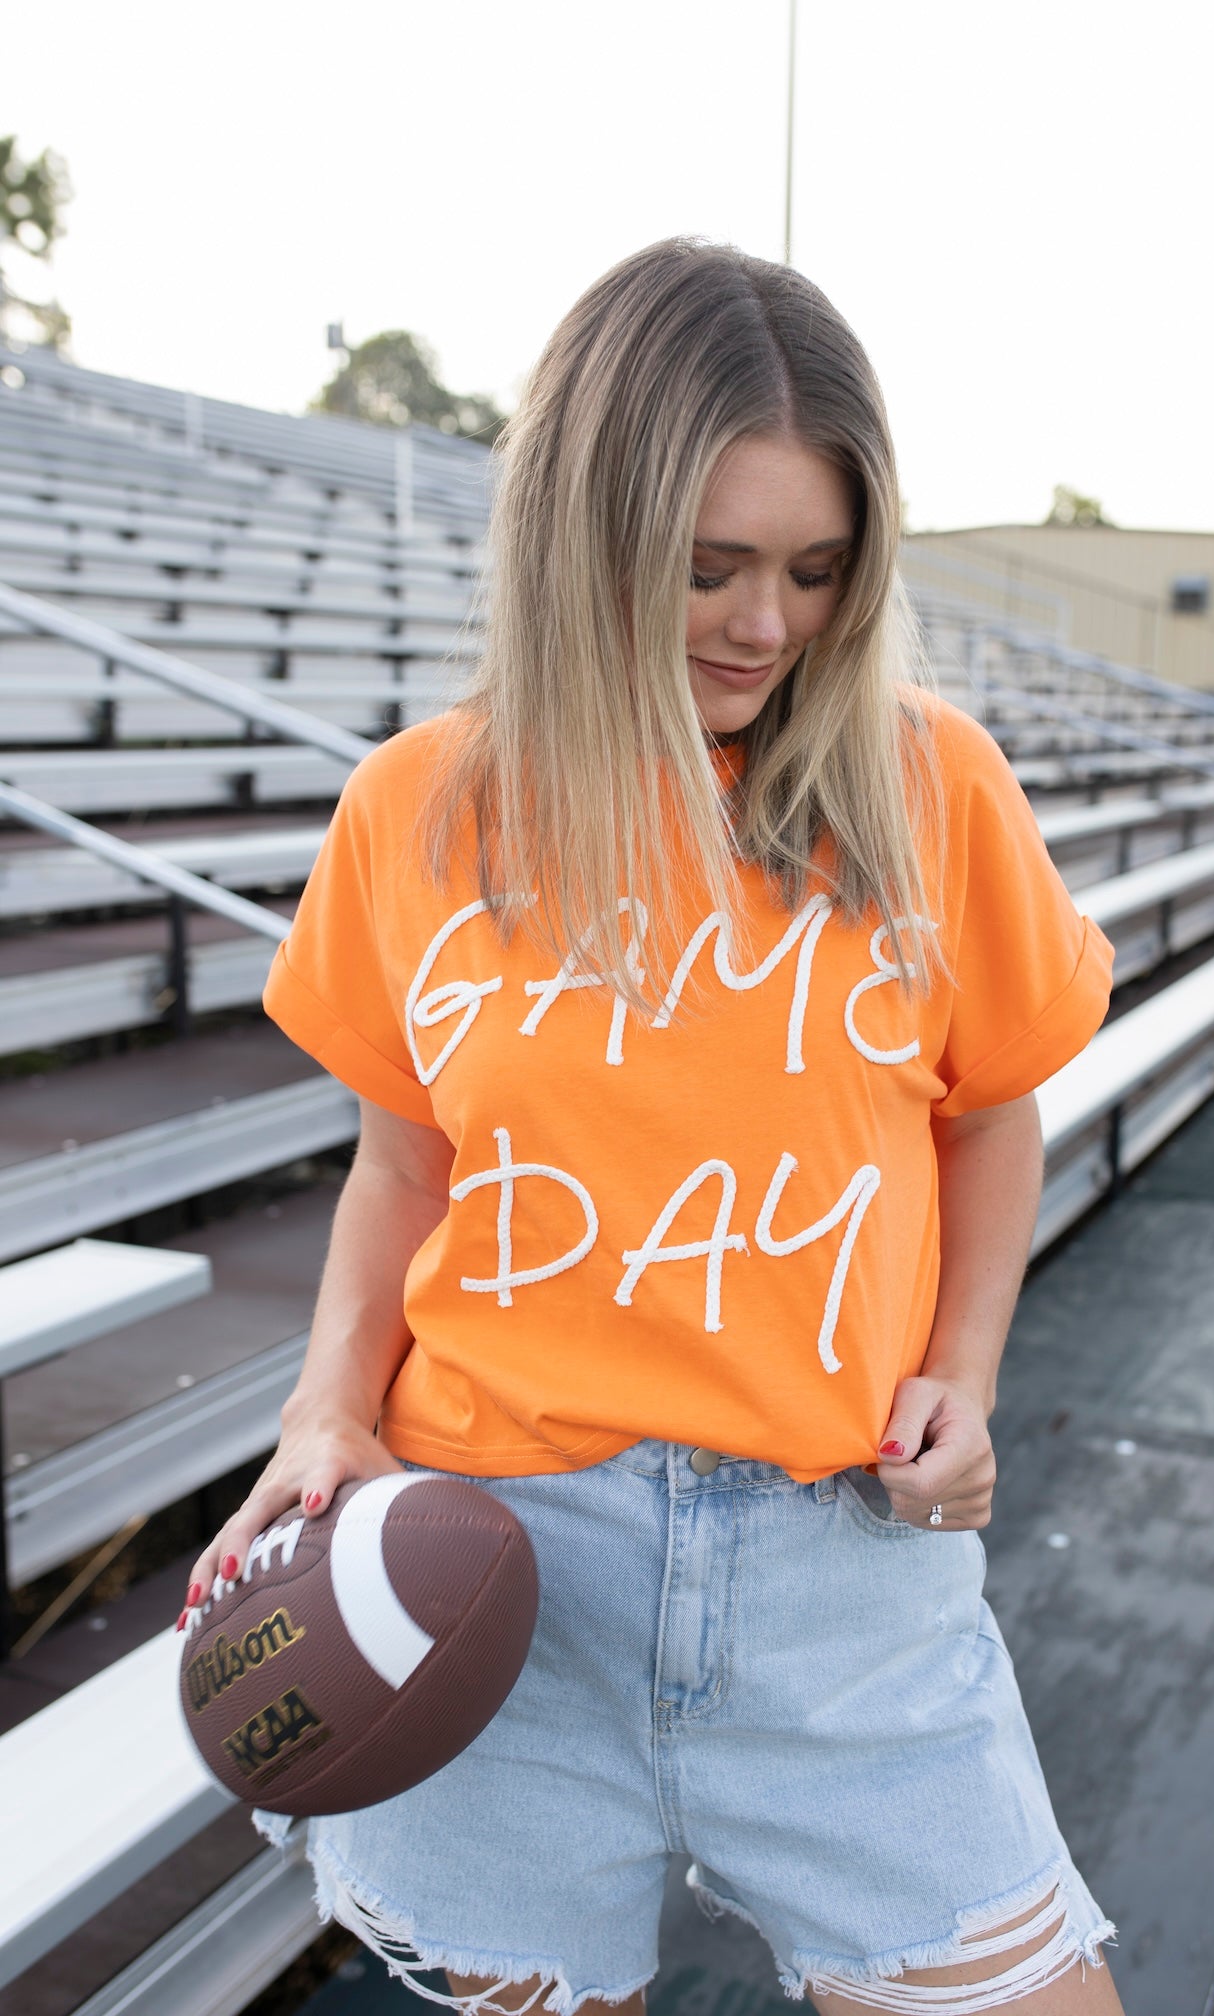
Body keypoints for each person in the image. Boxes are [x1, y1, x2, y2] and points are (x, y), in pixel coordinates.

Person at [181, 239, 1124, 2015]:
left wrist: (967, 1377)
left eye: (817, 571)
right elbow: (404, 1164)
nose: (768, 625)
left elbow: (992, 1113)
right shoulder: (420, 811)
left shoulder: (931, 792)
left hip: (840, 1577)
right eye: (707, 568)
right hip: (497, 1586)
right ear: (582, 539)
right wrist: (322, 1410)